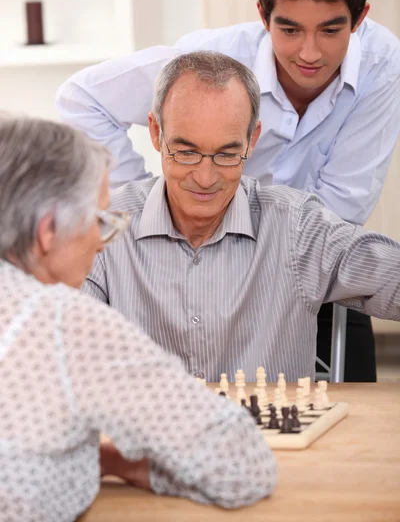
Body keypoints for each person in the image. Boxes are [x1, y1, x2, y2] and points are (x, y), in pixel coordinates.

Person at [55, 0, 400, 382]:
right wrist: (150, 204)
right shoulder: (207, 62)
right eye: (290, 28)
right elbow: (82, 99)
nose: (310, 52)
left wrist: (273, 246)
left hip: (298, 257)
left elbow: (345, 211)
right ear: (263, 15)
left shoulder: (383, 64)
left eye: (331, 30)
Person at [0, 113, 277, 522]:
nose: (100, 241)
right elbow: (242, 468)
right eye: (97, 219)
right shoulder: (64, 324)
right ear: (47, 231)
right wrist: (122, 464)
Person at [82, 51, 400, 385]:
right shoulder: (102, 228)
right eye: (186, 152)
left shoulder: (297, 228)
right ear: (155, 133)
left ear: (252, 140)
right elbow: (52, 338)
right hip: (140, 437)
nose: (205, 178)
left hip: (271, 438)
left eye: (227, 154)